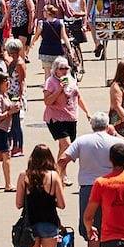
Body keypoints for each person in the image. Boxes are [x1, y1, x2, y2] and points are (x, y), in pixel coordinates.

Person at [58, 112, 124, 247]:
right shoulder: (115, 141)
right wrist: (116, 134)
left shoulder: (82, 141)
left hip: (88, 188)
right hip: (113, 187)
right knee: (112, 227)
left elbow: (63, 159)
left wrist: (60, 178)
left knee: (91, 229)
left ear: (92, 125)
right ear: (107, 125)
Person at [15, 144, 66, 247]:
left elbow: (18, 204)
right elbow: (62, 204)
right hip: (50, 223)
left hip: (31, 225)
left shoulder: (24, 176)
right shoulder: (53, 176)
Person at [43, 56, 90, 184]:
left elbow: (78, 97)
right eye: (61, 68)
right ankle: (58, 174)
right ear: (55, 70)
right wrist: (59, 89)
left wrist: (87, 112)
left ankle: (60, 173)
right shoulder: (50, 82)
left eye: (66, 68)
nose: (64, 71)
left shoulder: (71, 79)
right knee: (68, 146)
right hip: (56, 117)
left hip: (71, 117)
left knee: (63, 148)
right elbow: (47, 101)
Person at [32, 5, 74, 79]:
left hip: (45, 51)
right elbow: (64, 37)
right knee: (60, 73)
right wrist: (70, 49)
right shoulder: (60, 22)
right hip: (57, 50)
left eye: (44, 11)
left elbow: (36, 35)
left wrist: (31, 43)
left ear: (48, 12)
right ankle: (61, 88)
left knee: (47, 73)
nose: (43, 12)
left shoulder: (41, 23)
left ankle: (48, 88)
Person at [4, 38, 28, 157]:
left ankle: (19, 147)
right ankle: (13, 145)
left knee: (16, 122)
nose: (12, 54)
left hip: (15, 95)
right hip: (10, 93)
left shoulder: (19, 63)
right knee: (11, 122)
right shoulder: (13, 62)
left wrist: (19, 97)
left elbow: (22, 81)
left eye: (14, 51)